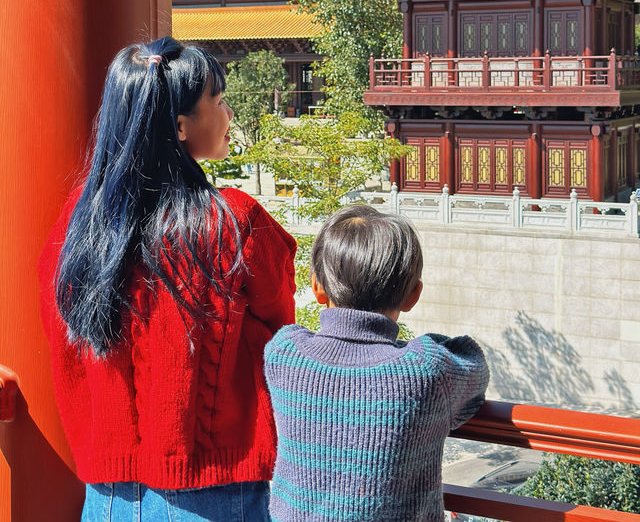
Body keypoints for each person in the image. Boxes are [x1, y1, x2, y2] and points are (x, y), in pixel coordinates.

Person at [38, 37, 296, 521]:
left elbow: (64, 339)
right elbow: (283, 329)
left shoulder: (78, 226)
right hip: (217, 493)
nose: (229, 113)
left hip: (107, 497)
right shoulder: (235, 223)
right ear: (180, 127)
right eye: (218, 101)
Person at [264, 205, 489, 522]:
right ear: (413, 296)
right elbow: (470, 360)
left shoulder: (284, 353)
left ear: (316, 287)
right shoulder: (427, 370)